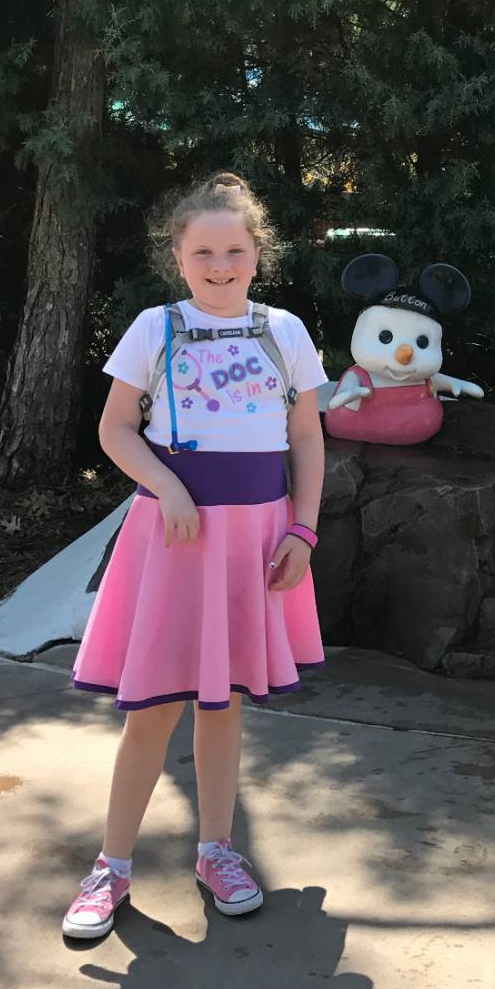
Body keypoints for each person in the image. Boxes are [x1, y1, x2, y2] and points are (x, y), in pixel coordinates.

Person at [61, 172, 330, 940]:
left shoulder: (286, 333)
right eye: (203, 251)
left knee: (225, 704)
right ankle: (111, 867)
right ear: (177, 257)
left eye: (234, 249)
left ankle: (217, 851)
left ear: (257, 254)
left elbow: (307, 437)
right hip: (175, 539)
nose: (220, 264)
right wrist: (167, 486)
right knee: (152, 710)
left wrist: (303, 530)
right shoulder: (155, 328)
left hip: (256, 541)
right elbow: (115, 431)